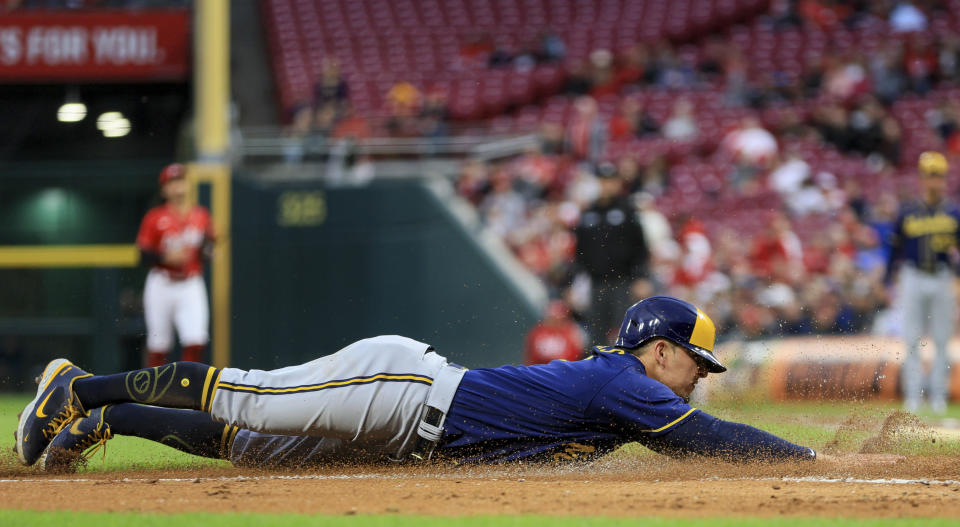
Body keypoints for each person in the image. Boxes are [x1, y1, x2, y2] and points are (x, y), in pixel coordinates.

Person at [15, 297, 891, 473]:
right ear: (657, 350)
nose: (698, 377)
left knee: (253, 447)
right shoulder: (628, 383)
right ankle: (80, 390)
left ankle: (111, 422)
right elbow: (705, 442)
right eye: (694, 360)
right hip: (401, 390)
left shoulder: (628, 387)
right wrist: (804, 457)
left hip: (409, 434)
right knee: (249, 395)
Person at [886, 152, 960, 414]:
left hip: (942, 276)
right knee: (911, 337)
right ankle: (913, 395)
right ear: (921, 178)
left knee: (942, 339)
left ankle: (938, 395)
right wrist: (887, 279)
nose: (934, 181)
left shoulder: (953, 212)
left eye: (938, 175)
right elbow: (894, 250)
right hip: (913, 275)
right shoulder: (907, 212)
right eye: (930, 175)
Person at [136, 164, 214, 367]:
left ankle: (187, 392)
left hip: (190, 283)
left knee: (196, 340)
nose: (178, 186)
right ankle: (155, 395)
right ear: (164, 189)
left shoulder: (201, 215)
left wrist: (210, 250)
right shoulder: (154, 217)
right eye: (172, 182)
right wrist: (164, 257)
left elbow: (207, 247)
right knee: (159, 344)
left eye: (181, 180)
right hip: (162, 282)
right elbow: (142, 255)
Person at [575, 163, 649, 343]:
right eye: (602, 181)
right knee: (596, 334)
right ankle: (598, 371)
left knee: (626, 332)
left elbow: (640, 246)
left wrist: (641, 277)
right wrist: (577, 281)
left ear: (617, 183)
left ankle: (628, 369)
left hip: (622, 282)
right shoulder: (588, 213)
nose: (606, 185)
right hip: (596, 283)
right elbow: (580, 251)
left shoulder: (627, 209)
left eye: (609, 181)